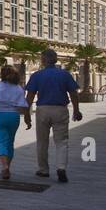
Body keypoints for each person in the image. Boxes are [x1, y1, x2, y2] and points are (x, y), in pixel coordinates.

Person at [24, 49, 82, 183]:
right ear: (55, 60)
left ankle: (43, 170)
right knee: (62, 141)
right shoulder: (65, 74)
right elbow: (73, 93)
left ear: (43, 60)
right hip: (60, 109)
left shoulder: (37, 75)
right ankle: (61, 167)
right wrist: (76, 110)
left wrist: (27, 114)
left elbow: (30, 96)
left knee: (42, 141)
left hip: (42, 109)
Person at [0, 65, 32, 180]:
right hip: (14, 116)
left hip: (0, 115)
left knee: (1, 141)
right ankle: (8, 166)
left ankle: (4, 166)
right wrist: (27, 118)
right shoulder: (19, 88)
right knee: (10, 142)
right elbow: (23, 105)